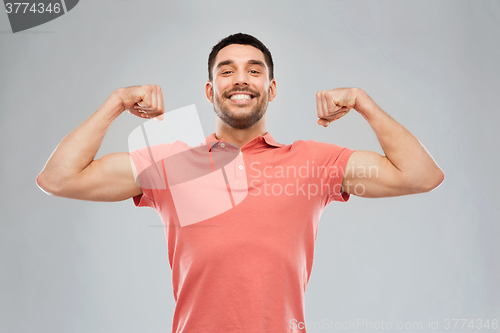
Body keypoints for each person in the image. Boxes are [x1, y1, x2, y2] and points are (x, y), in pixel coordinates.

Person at [36, 33, 445, 332]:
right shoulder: (170, 163)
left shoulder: (313, 162)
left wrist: (362, 102)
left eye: (254, 70)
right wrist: (117, 103)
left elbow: (421, 175)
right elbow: (58, 178)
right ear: (212, 91)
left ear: (271, 89)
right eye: (227, 71)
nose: (241, 79)